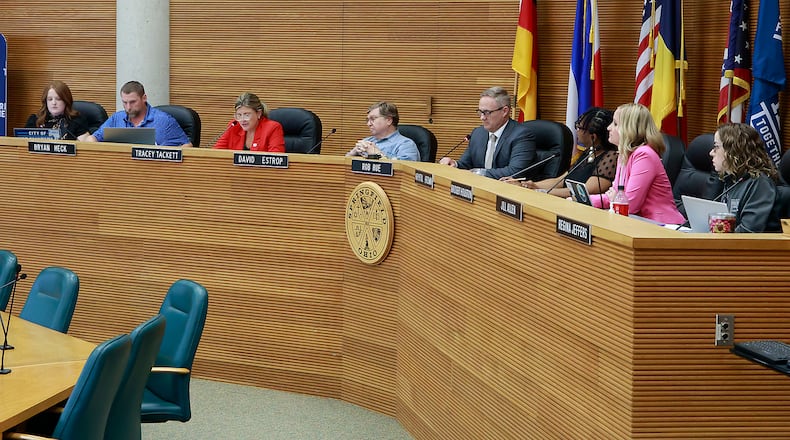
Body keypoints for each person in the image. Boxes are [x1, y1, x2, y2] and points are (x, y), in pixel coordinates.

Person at [590, 103, 685, 224]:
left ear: (629, 128)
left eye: (615, 123)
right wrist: (583, 199)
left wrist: (615, 196)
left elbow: (630, 205)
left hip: (663, 227)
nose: (608, 128)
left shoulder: (644, 155)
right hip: (638, 223)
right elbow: (616, 197)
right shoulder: (624, 154)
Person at [505, 107, 617, 198]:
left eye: (579, 127)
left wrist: (539, 191)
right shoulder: (589, 152)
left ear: (593, 137)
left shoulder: (611, 157)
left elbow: (584, 193)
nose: (576, 131)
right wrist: (531, 185)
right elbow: (561, 180)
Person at [439, 86, 535, 179]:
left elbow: (515, 171)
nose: (482, 117)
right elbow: (466, 164)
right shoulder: (478, 133)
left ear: (504, 111)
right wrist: (454, 164)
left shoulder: (521, 135)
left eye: (487, 112)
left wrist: (479, 173)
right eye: (480, 112)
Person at [707, 123, 780, 232]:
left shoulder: (760, 184)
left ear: (733, 150)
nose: (711, 153)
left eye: (716, 147)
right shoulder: (732, 179)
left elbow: (748, 232)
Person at [85, 81, 191, 147]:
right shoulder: (117, 118)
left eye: (132, 102)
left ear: (144, 98)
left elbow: (187, 146)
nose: (128, 107)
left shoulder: (164, 121)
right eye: (124, 102)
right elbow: (94, 138)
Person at [346, 101, 419, 161]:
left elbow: (405, 173)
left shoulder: (406, 145)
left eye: (373, 119)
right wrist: (353, 153)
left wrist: (376, 155)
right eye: (367, 120)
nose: (368, 124)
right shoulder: (366, 142)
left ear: (389, 120)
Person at [213, 92, 284, 152]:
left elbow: (276, 159)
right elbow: (216, 153)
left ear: (258, 113)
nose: (242, 120)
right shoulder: (234, 126)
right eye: (239, 115)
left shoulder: (272, 128)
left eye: (247, 115)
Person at [25, 81, 90, 141]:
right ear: (45, 102)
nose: (54, 103)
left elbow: (84, 147)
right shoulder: (35, 120)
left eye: (58, 99)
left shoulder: (77, 120)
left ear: (66, 100)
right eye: (50, 99)